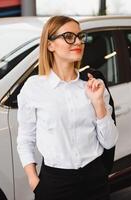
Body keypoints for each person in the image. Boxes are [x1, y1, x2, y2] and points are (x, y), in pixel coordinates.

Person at [17, 15, 119, 200]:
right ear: (50, 45)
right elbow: (25, 139)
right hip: (55, 182)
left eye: (80, 36)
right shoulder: (34, 88)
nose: (78, 42)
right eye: (69, 37)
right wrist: (33, 180)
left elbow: (109, 142)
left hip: (94, 178)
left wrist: (98, 103)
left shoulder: (93, 85)